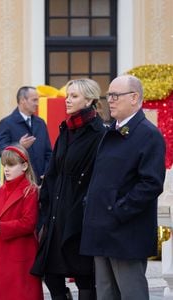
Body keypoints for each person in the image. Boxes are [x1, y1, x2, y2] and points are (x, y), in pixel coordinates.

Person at [80, 75, 166, 300]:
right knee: (106, 293)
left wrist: (117, 210)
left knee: (131, 294)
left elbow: (151, 184)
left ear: (135, 97)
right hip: (102, 228)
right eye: (109, 95)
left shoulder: (148, 135)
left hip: (126, 232)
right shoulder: (110, 132)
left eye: (116, 95)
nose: (111, 100)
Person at [31, 78, 106, 300]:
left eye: (74, 96)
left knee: (84, 275)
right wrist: (44, 204)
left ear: (89, 99)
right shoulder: (66, 129)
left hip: (80, 215)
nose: (68, 100)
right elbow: (54, 170)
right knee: (51, 273)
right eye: (68, 96)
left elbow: (97, 177)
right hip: (56, 213)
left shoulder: (99, 133)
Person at [0, 144, 44, 300]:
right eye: (5, 165)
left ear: (24, 166)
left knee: (23, 293)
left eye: (11, 165)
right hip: (4, 252)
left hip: (23, 252)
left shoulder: (29, 190)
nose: (6, 169)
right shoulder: (0, 191)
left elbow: (29, 223)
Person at [0, 86, 52, 184]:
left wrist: (47, 172)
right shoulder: (6, 123)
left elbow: (48, 153)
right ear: (22, 100)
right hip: (17, 184)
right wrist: (19, 146)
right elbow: (2, 151)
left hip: (41, 183)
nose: (37, 104)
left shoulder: (41, 123)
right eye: (34, 100)